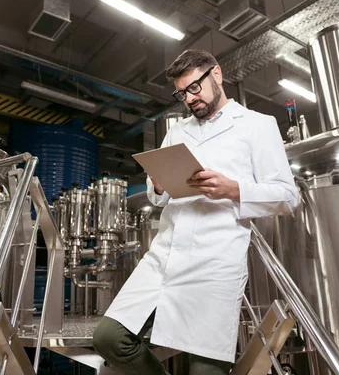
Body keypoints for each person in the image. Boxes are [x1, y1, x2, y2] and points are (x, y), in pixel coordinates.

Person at [92, 49, 300, 374]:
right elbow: (162, 195)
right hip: (163, 258)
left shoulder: (257, 126)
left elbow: (288, 197)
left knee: (204, 370)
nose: (189, 99)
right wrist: (158, 186)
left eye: (194, 88)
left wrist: (233, 189)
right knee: (109, 337)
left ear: (216, 74)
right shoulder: (176, 130)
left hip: (213, 265)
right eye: (182, 93)